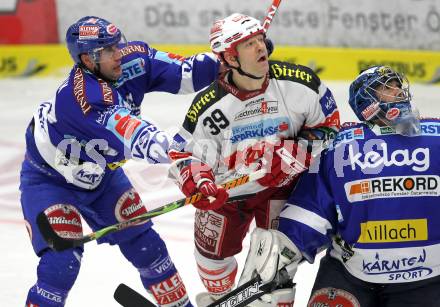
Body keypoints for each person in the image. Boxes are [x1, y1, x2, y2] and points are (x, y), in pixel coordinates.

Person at [20, 16, 222, 307]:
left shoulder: (131, 59)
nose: (119, 54)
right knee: (61, 265)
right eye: (108, 51)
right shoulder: (83, 100)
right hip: (50, 182)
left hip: (102, 178)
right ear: (88, 59)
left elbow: (186, 72)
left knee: (149, 249)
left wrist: (229, 60)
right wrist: (186, 157)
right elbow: (137, 136)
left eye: (117, 45)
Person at [166, 13, 340, 306]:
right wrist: (200, 181)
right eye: (248, 44)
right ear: (230, 58)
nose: (261, 48)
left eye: (260, 40)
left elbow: (331, 126)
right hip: (229, 193)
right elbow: (185, 153)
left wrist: (295, 151)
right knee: (211, 264)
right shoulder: (209, 106)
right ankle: (221, 298)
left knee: (277, 268)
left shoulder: (301, 84)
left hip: (283, 188)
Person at [239, 66, 440, 307]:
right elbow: (313, 207)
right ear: (368, 102)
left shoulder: (436, 137)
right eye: (386, 87)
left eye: (397, 85)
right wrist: (285, 250)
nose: (397, 91)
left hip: (428, 278)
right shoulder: (340, 146)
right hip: (350, 275)